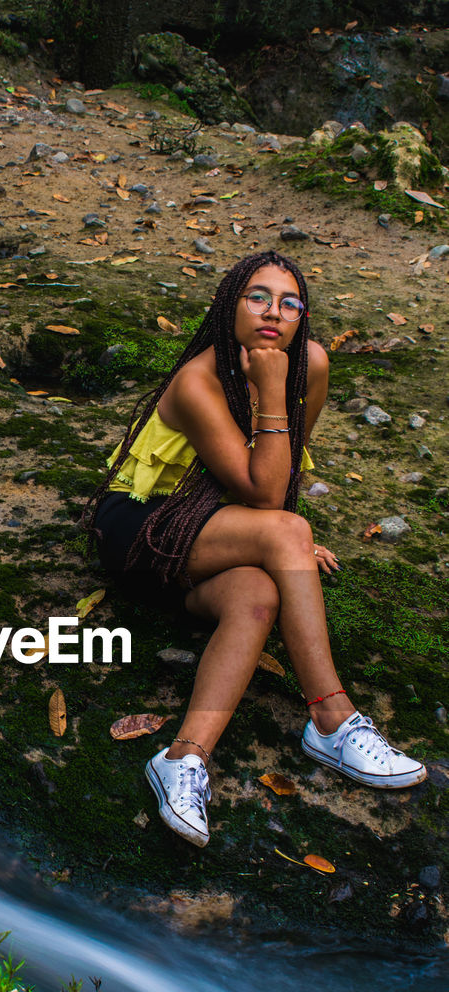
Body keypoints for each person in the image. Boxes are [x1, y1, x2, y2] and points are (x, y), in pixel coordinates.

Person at [85, 250, 426, 848]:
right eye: (257, 297)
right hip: (142, 531)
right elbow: (268, 496)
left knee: (260, 595)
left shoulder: (310, 364)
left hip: (219, 525)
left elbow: (284, 472)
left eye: (290, 302)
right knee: (287, 532)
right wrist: (270, 394)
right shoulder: (197, 379)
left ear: (303, 317)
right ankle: (332, 718)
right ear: (229, 305)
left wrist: (277, 546)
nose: (274, 312)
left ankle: (182, 759)